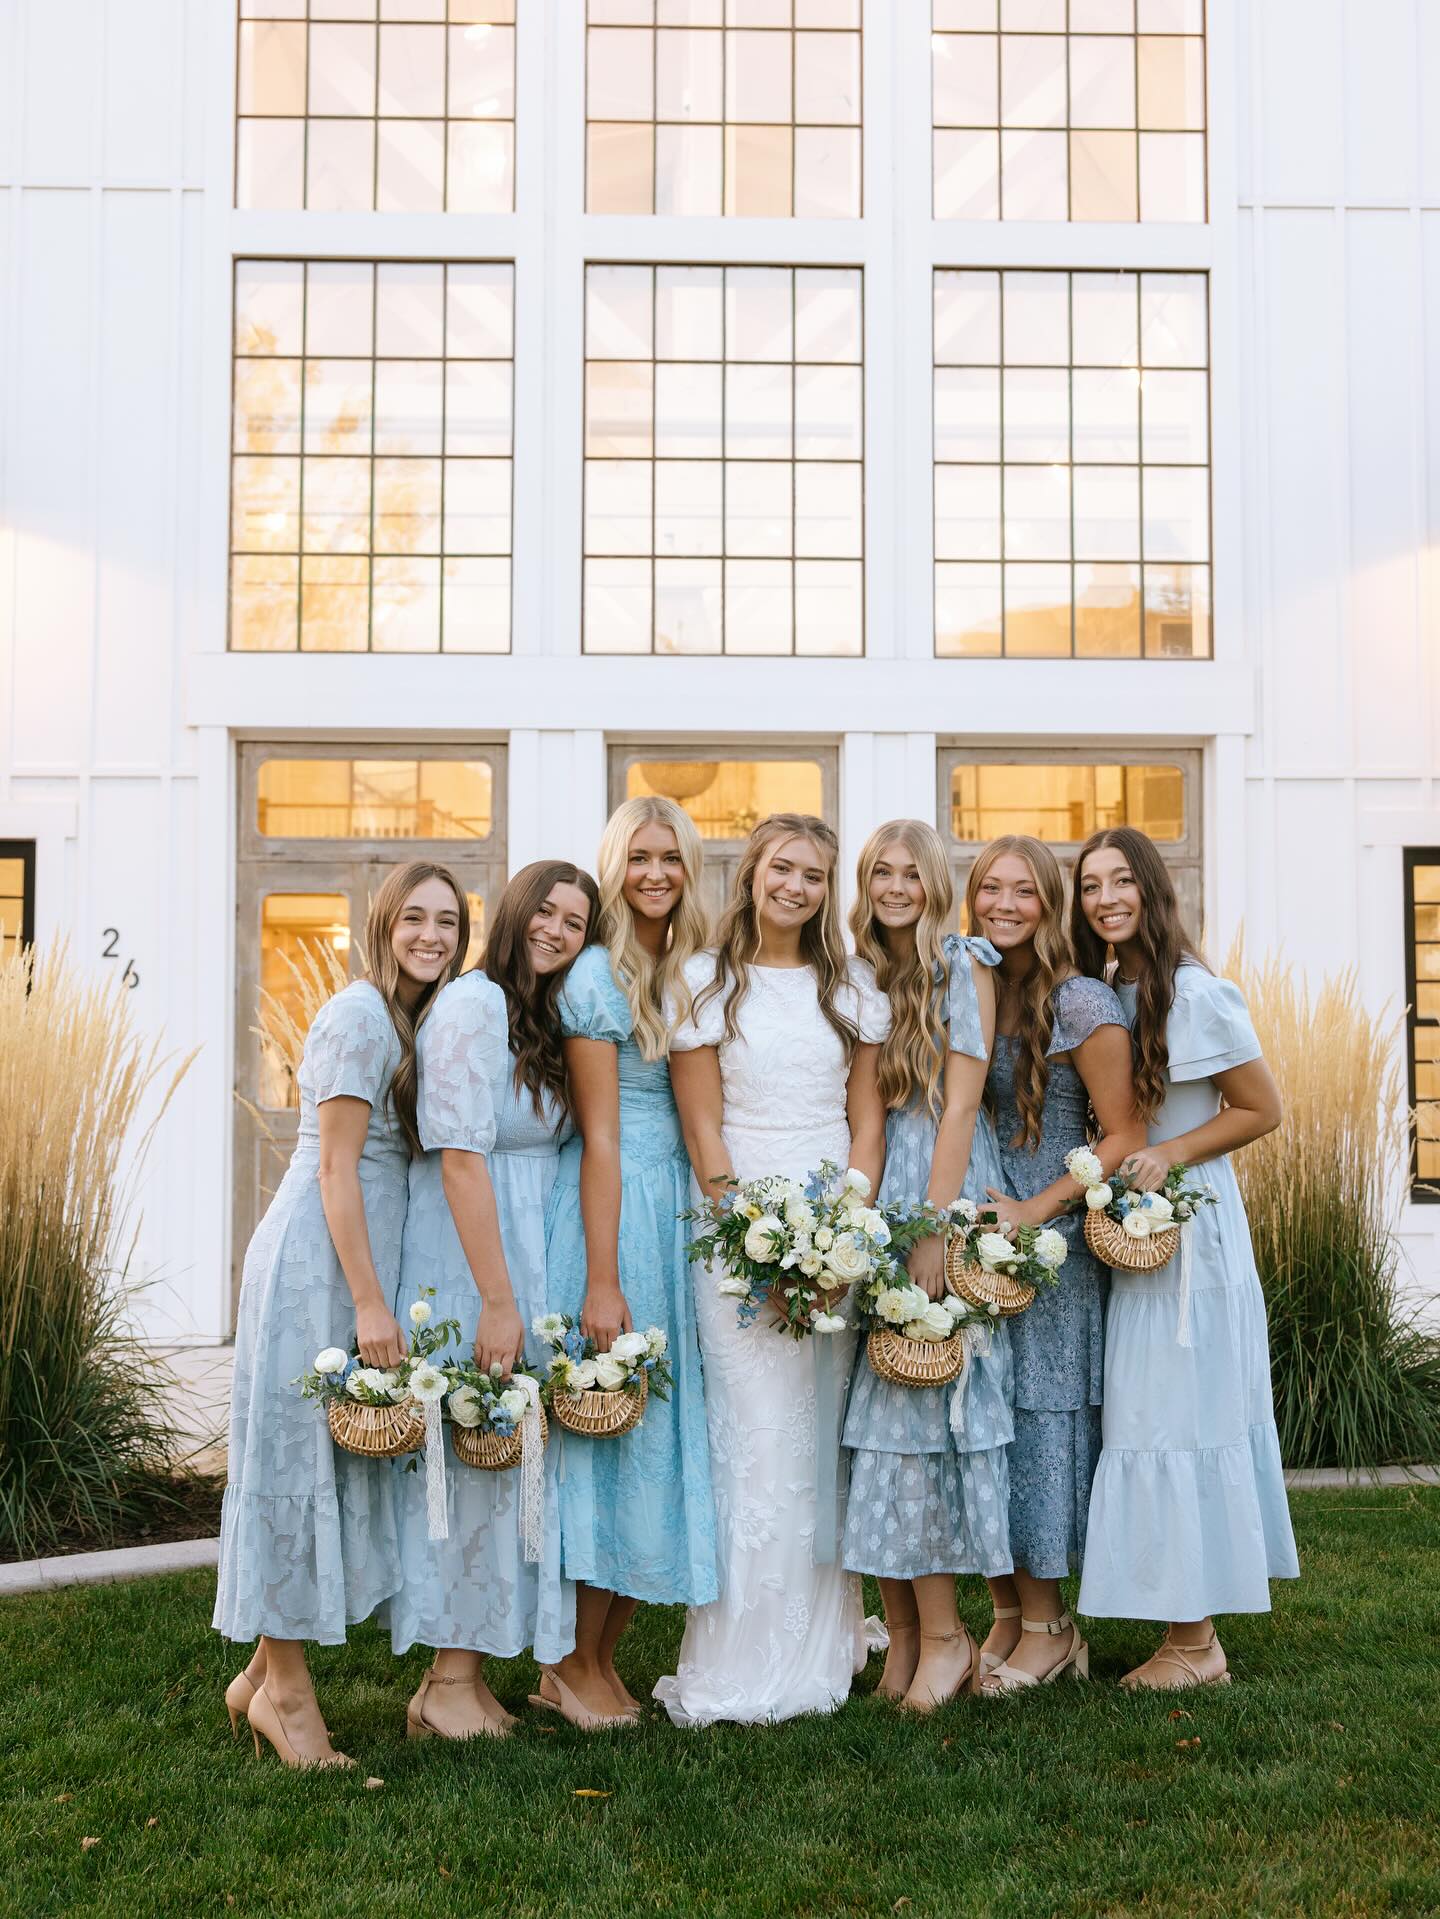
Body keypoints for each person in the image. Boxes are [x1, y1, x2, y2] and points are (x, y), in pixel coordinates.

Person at [214, 861, 466, 1767]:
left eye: (447, 920)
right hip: (315, 1265)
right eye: (415, 918)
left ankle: (260, 1673)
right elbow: (333, 1168)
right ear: (383, 922)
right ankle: (286, 1698)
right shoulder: (360, 1016)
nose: (432, 935)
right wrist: (368, 1301)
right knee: (290, 1468)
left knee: (320, 1463)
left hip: (349, 1256)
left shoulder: (404, 1015)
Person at [657, 813, 890, 1727]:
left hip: (833, 1223)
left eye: (814, 875)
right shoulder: (703, 983)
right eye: (782, 867)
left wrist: (843, 1232)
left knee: (818, 1438)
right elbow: (702, 1127)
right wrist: (753, 1236)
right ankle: (742, 1649)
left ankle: (827, 1635)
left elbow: (865, 1117)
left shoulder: (853, 988)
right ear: (752, 872)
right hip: (738, 1230)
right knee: (752, 1442)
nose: (796, 885)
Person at [1072, 826, 1299, 1687]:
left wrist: (1171, 1154)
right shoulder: (1108, 987)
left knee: (1176, 1414)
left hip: (1192, 1236)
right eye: (1091, 885)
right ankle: (1185, 1627)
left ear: (1152, 887)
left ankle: (1195, 1643)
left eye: (1121, 880)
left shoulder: (1195, 989)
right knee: (1148, 1413)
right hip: (1138, 1225)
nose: (1105, 899)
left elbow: (1261, 1107)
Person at [387, 861, 600, 1737]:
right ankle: (444, 1684)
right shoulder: (474, 1002)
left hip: (520, 1251)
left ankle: (467, 1675)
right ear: (512, 913)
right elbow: (462, 1157)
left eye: (576, 922)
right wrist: (499, 1300)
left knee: (501, 1459)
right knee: (471, 1456)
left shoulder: (533, 1014)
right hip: (474, 1256)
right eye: (543, 911)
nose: (555, 929)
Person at [541, 797, 718, 1729]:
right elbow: (601, 1137)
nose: (656, 873)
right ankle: (568, 1658)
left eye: (672, 858)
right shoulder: (597, 978)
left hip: (677, 1208)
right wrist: (601, 1277)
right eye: (640, 857)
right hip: (620, 1209)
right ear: (616, 865)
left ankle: (601, 1655)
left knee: (659, 1428)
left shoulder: (683, 968)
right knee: (609, 1431)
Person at [966, 836, 1144, 1696]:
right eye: (990, 888)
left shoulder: (1081, 1002)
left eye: (1025, 891)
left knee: (1037, 1425)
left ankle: (1050, 1627)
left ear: (1049, 904)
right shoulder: (976, 986)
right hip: (990, 1232)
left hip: (1054, 1240)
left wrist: (1036, 1213)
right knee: (991, 1419)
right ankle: (1008, 1611)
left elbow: (1125, 1135)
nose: (1005, 903)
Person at [841, 820, 1011, 1711]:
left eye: (912, 873)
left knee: (930, 1416)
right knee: (883, 1414)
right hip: (884, 1190)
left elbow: (960, 1107)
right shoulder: (868, 973)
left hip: (945, 1184)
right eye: (881, 873)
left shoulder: (963, 963)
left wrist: (935, 1234)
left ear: (935, 882)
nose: (897, 886)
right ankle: (905, 1641)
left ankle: (949, 1638)